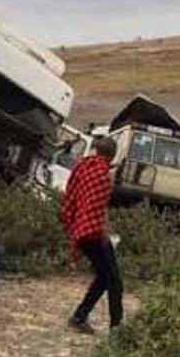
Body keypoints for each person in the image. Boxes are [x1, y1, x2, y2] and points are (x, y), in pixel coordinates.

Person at [63, 137, 122, 333]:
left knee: (104, 278)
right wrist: (101, 231)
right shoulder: (103, 174)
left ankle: (80, 316)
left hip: (82, 230)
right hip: (93, 233)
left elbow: (72, 197)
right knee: (114, 281)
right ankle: (117, 328)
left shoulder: (83, 167)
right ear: (112, 155)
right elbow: (97, 208)